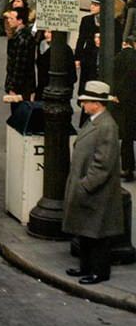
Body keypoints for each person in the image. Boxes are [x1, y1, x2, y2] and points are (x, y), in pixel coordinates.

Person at [63, 81, 125, 285]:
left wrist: (85, 185)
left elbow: (103, 163)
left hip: (98, 192)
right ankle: (86, 267)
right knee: (87, 232)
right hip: (90, 189)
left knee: (98, 235)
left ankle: (99, 271)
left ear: (97, 104)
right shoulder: (94, 121)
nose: (83, 105)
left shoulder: (107, 126)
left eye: (86, 101)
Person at [113, 37, 136, 181]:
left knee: (126, 135)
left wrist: (116, 94)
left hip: (124, 100)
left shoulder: (120, 57)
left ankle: (127, 167)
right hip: (132, 98)